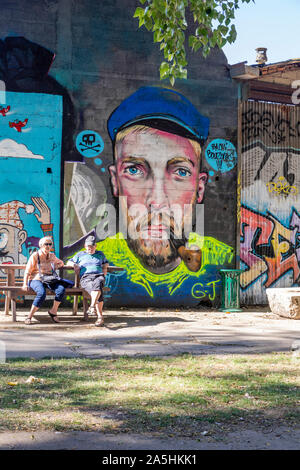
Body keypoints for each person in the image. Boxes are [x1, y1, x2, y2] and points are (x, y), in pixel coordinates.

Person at [22, 236, 70, 324]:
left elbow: (61, 263)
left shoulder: (52, 255)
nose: (48, 246)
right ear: (41, 245)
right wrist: (25, 284)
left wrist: (56, 266)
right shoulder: (35, 255)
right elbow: (27, 271)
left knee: (61, 289)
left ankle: (53, 311)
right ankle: (29, 316)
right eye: (46, 244)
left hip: (49, 279)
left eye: (50, 244)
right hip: (36, 279)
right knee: (41, 293)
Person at [66, 235, 109, 327]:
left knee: (98, 283)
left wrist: (105, 267)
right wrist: (74, 265)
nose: (90, 248)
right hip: (86, 277)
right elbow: (69, 262)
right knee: (98, 290)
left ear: (95, 246)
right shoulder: (80, 254)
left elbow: (106, 262)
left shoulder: (100, 254)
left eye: (92, 246)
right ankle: (99, 317)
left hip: (98, 276)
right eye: (88, 246)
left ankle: (92, 307)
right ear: (85, 246)